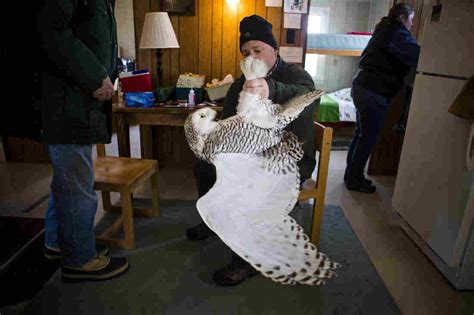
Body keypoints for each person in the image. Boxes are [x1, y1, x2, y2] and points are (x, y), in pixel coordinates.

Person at [185, 14, 319, 286]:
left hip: (289, 157)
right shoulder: (239, 83)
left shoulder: (297, 75)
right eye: (246, 52)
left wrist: (271, 89)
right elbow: (228, 122)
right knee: (204, 168)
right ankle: (215, 221)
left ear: (274, 49)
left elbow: (306, 98)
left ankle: (246, 260)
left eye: (258, 50)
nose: (252, 56)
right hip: (247, 152)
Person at [33, 0, 128, 281]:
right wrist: (95, 76)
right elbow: (50, 29)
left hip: (77, 103)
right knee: (77, 186)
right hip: (66, 105)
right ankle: (80, 259)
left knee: (66, 181)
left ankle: (57, 242)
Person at [344, 3, 420, 193]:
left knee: (361, 135)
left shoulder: (384, 30)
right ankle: (354, 179)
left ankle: (351, 176)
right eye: (411, 19)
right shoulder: (397, 33)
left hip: (362, 85)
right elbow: (418, 54)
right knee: (367, 137)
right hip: (373, 91)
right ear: (402, 18)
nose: (412, 24)